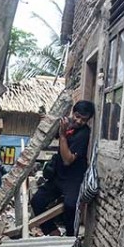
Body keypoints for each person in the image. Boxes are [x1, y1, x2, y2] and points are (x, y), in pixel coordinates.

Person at [31, 100, 95, 237]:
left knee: (70, 206)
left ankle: (71, 240)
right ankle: (53, 232)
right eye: (77, 116)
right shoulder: (68, 124)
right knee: (37, 201)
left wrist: (62, 135)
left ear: (88, 120)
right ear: (73, 112)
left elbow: (68, 160)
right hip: (58, 175)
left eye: (84, 119)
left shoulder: (83, 134)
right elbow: (50, 132)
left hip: (73, 178)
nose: (78, 121)